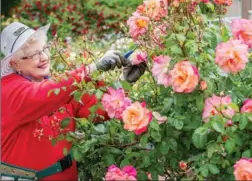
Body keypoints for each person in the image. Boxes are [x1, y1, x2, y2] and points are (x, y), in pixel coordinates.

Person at [0, 22, 146, 180]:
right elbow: (43, 96)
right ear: (15, 64)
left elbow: (98, 110)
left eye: (44, 49)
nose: (43, 57)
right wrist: (92, 68)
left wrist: (123, 82)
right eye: (33, 54)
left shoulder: (60, 86)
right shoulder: (8, 91)